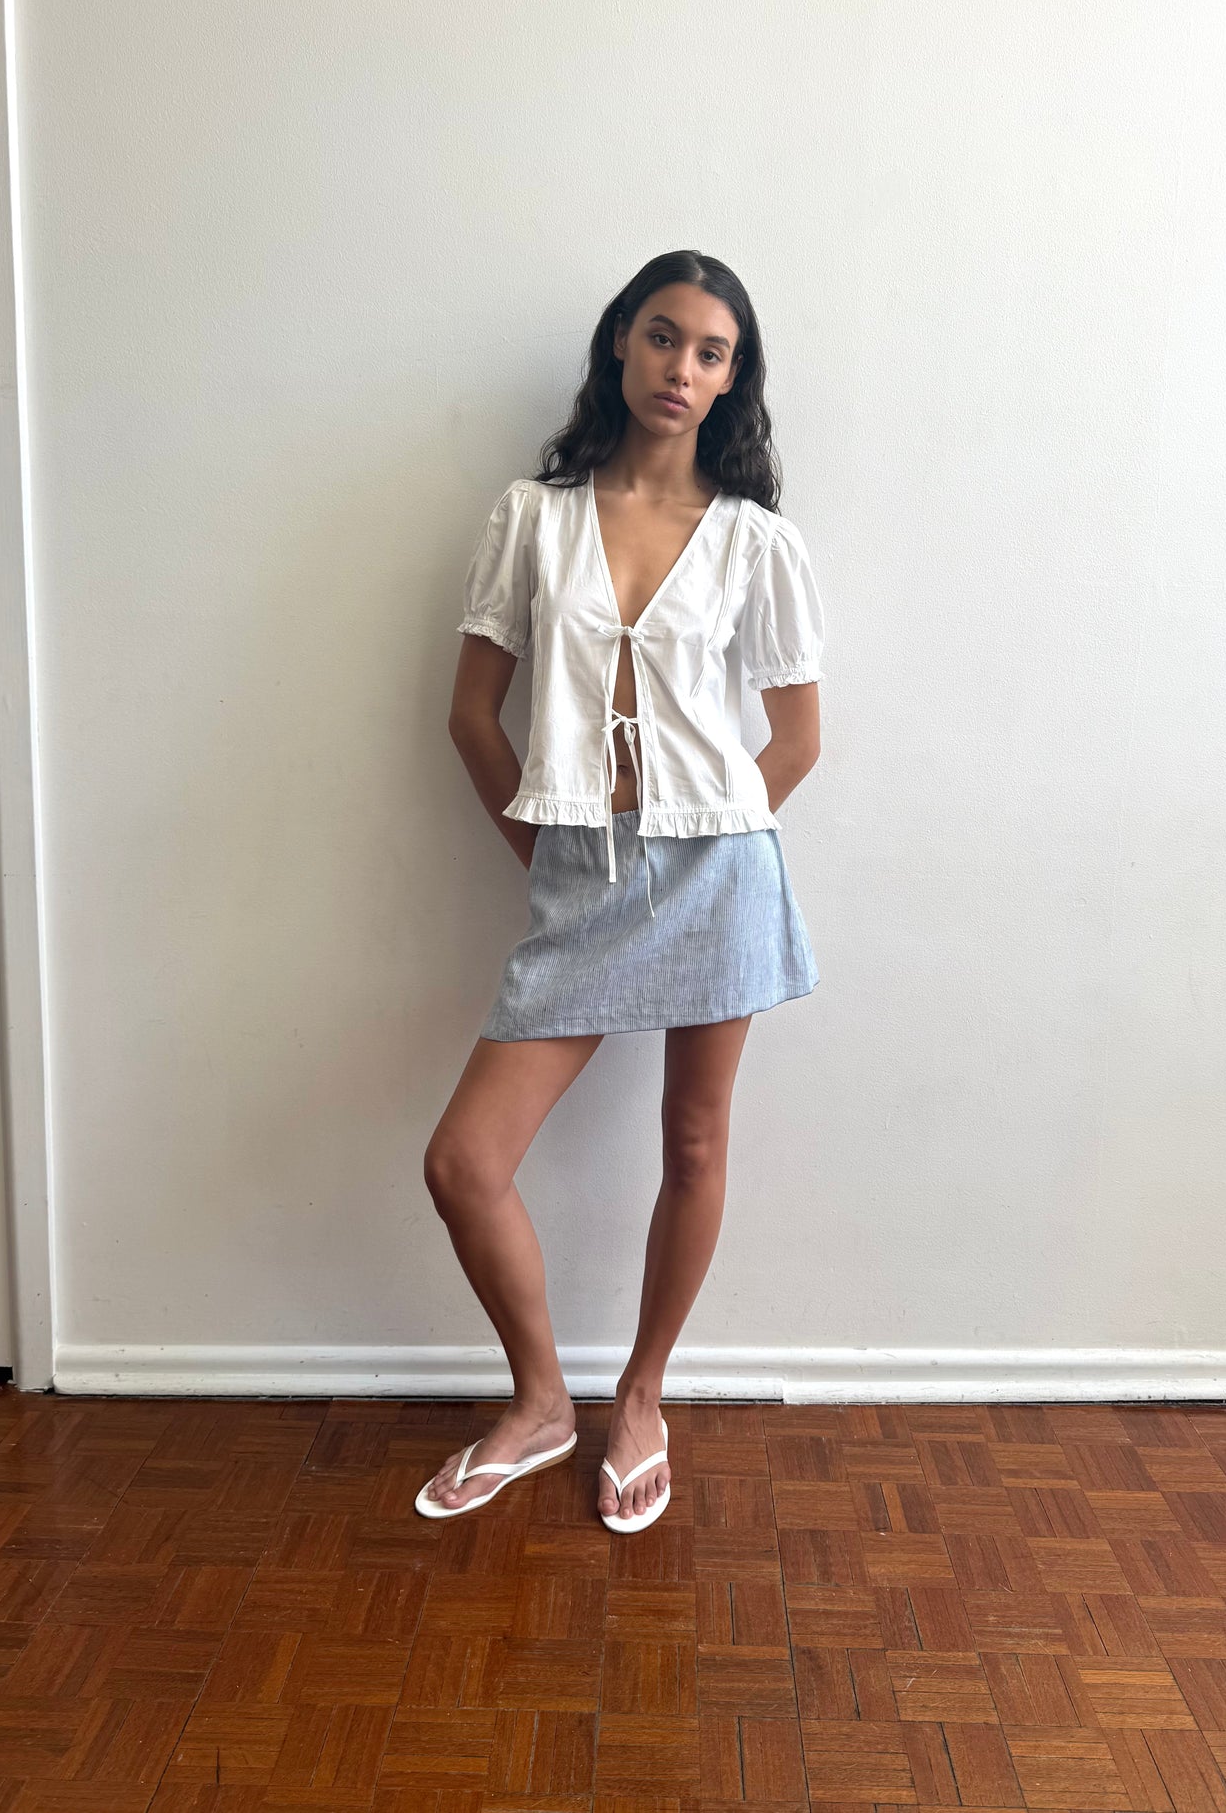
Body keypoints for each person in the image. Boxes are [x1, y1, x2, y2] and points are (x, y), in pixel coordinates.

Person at [417, 249, 825, 1532]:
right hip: (580, 871)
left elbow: (797, 738)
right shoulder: (531, 518)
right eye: (664, 338)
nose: (682, 368)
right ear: (618, 347)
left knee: (693, 1140)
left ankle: (641, 1394)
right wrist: (545, 854)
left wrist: (708, 835)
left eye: (712, 352)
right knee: (462, 1162)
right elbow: (472, 717)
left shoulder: (757, 543)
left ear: (730, 382)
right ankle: (540, 1402)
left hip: (717, 866)